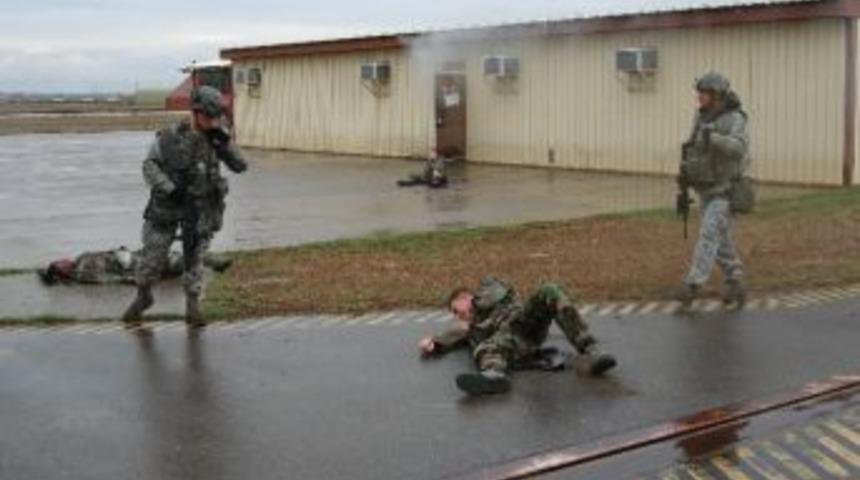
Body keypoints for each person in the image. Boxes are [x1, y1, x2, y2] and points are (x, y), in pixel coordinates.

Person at [122, 86, 247, 326]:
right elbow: (149, 166)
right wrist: (170, 188)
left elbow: (241, 166)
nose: (211, 121)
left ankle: (193, 307)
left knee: (195, 259)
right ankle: (144, 296)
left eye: (215, 117)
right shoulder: (169, 137)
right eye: (207, 116)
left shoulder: (215, 138)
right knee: (152, 260)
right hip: (167, 207)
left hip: (200, 210)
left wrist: (225, 145)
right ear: (195, 111)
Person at [418, 277, 618, 396]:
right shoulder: (472, 327)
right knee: (486, 347)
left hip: (524, 322)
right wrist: (434, 342)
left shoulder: (490, 289)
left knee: (549, 290)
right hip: (510, 343)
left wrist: (477, 306)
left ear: (466, 297)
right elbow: (453, 334)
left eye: (456, 309)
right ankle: (493, 376)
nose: (456, 315)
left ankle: (593, 350)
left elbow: (499, 292)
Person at [676, 72, 750, 309]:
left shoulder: (735, 118)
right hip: (706, 189)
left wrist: (714, 138)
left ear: (716, 94)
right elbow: (693, 148)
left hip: (726, 190)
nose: (699, 96)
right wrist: (685, 174)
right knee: (721, 239)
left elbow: (739, 148)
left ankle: (692, 284)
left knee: (709, 233)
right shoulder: (701, 116)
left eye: (703, 92)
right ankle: (735, 280)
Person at [37, 247, 232, 285]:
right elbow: (114, 279)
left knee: (178, 256)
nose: (63, 260)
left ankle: (214, 263)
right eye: (59, 264)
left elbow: (109, 253)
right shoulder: (83, 274)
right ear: (62, 272)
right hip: (141, 266)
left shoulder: (80, 258)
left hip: (138, 256)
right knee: (178, 260)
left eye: (59, 260)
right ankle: (216, 263)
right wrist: (139, 278)